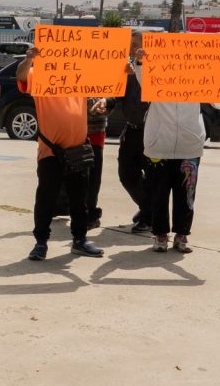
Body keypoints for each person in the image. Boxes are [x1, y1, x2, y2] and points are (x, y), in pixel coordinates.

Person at [16, 47, 104, 261]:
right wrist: (29, 59)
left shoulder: (80, 76)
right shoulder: (40, 75)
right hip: (51, 151)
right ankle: (40, 243)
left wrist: (127, 70)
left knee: (79, 200)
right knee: (46, 197)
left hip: (78, 150)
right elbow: (20, 76)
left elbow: (110, 80)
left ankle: (80, 240)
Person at [142, 90, 205, 254]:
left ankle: (182, 234)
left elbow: (218, 92)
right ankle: (160, 234)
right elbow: (144, 80)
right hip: (159, 146)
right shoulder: (159, 72)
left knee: (186, 194)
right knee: (158, 193)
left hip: (189, 146)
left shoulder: (199, 74)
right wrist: (140, 63)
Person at [117, 30, 152, 232]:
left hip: (153, 132)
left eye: (137, 44)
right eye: (131, 45)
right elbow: (117, 94)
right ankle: (147, 207)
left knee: (152, 177)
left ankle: (149, 215)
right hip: (131, 130)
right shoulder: (126, 68)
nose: (133, 49)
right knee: (126, 174)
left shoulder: (161, 69)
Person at [85, 96, 110, 229]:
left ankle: (91, 214)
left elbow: (107, 104)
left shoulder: (102, 80)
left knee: (93, 178)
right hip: (74, 132)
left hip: (95, 134)